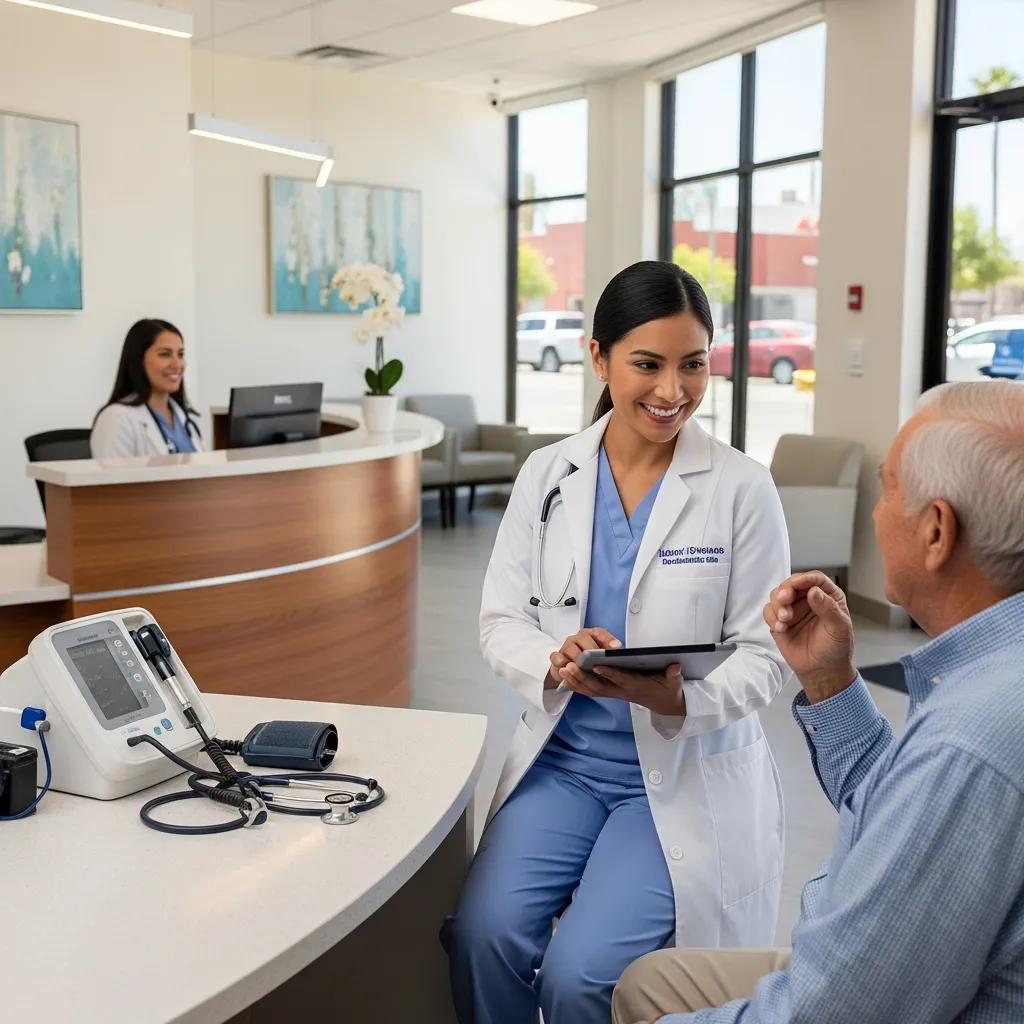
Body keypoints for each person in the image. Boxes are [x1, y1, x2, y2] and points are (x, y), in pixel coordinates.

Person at [442, 261, 793, 1024]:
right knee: (482, 935)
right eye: (648, 364)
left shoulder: (740, 488)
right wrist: (554, 658)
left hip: (678, 773)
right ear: (598, 358)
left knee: (581, 976)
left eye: (693, 364)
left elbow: (765, 658)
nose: (672, 391)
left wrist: (685, 694)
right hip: (563, 765)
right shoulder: (548, 475)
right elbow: (502, 620)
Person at [612, 379, 1024, 1024]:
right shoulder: (990, 677)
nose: (874, 513)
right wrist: (829, 681)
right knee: (649, 982)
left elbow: (837, 1010)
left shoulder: (968, 744)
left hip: (868, 996)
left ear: (938, 531)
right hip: (891, 975)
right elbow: (898, 807)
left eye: (888, 490)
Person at [91, 319, 203, 457]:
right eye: (165, 354)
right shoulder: (117, 418)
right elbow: (112, 478)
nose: (177, 364)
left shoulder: (186, 417)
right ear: (139, 360)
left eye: (180, 354)